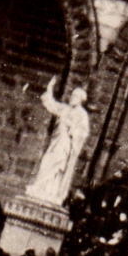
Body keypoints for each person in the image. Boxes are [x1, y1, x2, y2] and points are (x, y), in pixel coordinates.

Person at [25, 76, 90, 205]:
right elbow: (52, 105)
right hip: (56, 140)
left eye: (75, 96)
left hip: (65, 143)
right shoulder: (65, 109)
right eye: (72, 95)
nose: (72, 98)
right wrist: (50, 88)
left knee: (57, 164)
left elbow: (83, 133)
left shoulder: (82, 114)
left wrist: (72, 127)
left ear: (80, 100)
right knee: (47, 161)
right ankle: (40, 187)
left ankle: (51, 191)